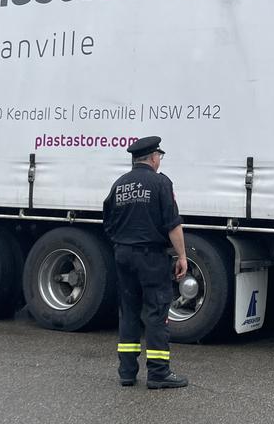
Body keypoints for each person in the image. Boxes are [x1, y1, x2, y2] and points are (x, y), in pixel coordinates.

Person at [103, 136, 189, 389]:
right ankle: (158, 373)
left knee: (129, 312)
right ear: (153, 157)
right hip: (151, 256)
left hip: (123, 254)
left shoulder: (119, 185)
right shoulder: (160, 183)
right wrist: (182, 256)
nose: (159, 161)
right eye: (159, 157)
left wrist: (123, 243)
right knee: (156, 312)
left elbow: (107, 221)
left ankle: (127, 372)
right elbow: (172, 224)